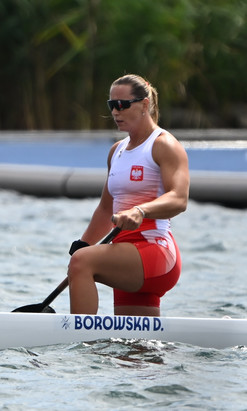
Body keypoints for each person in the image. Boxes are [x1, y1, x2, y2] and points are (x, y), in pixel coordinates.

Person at [67, 74, 189, 317]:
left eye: (122, 105)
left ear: (144, 105)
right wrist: (83, 245)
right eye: (112, 105)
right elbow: (105, 209)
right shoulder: (117, 151)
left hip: (154, 250)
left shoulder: (164, 145)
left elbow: (179, 198)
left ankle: (79, 348)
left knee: (82, 263)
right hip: (126, 255)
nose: (115, 112)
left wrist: (141, 211)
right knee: (135, 350)